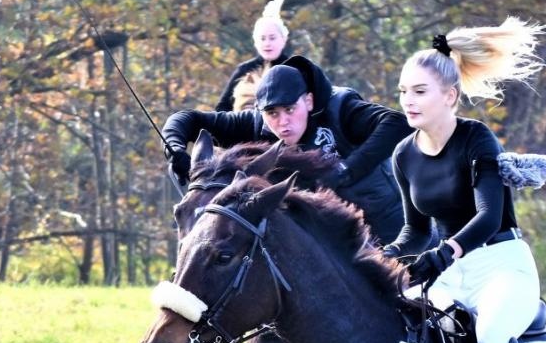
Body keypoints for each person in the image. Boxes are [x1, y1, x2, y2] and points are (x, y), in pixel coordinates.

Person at [382, 19, 546, 343]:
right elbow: (415, 231)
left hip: (502, 263)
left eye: (419, 91)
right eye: (403, 92)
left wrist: (444, 253)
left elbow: (488, 216)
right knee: (397, 329)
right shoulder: (403, 155)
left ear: (451, 96)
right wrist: (380, 259)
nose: (408, 101)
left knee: (489, 334)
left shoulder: (477, 140)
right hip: (452, 272)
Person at [163, 55, 411, 243]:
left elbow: (397, 123)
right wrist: (176, 150)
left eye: (290, 110)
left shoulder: (342, 107)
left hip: (388, 225)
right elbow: (186, 119)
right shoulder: (256, 125)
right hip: (330, 239)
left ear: (309, 101)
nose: (282, 122)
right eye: (272, 113)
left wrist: (346, 170)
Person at [215, 0, 294, 112]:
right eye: (262, 38)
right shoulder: (244, 70)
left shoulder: (295, 68)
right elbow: (222, 108)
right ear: (255, 42)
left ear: (283, 40)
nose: (267, 43)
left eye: (272, 38)